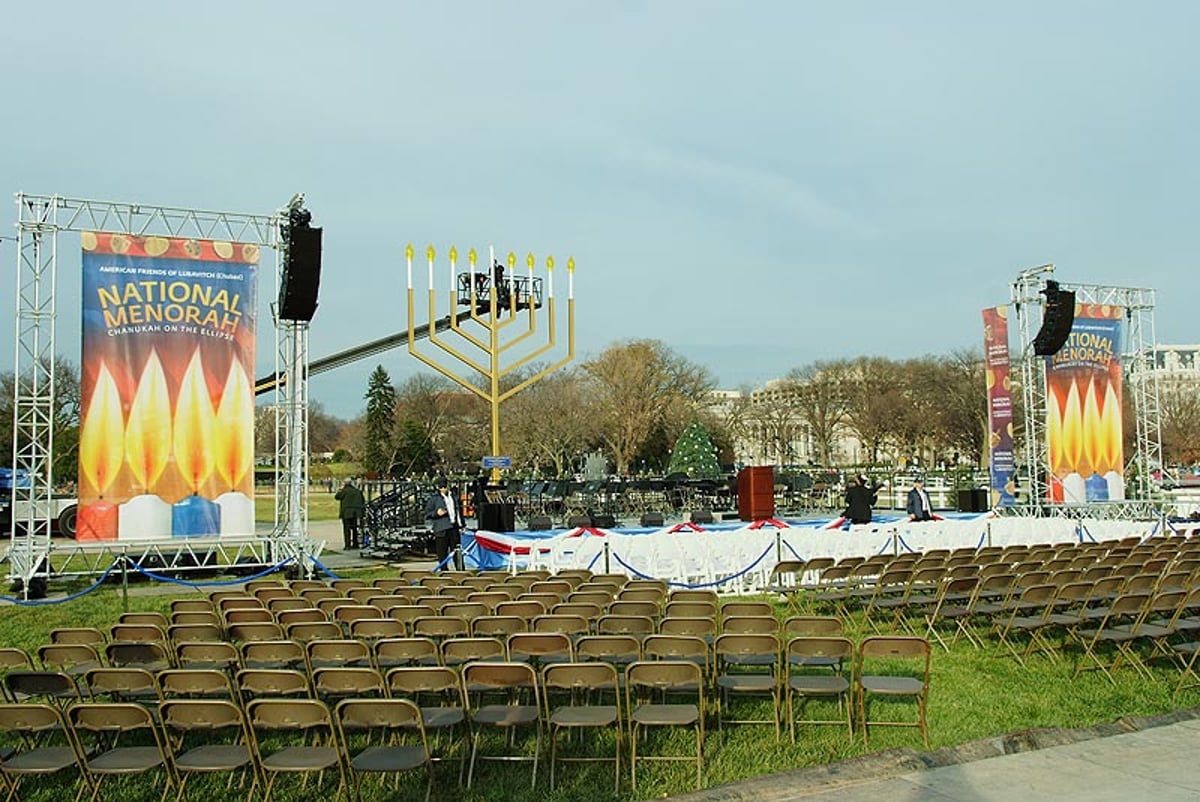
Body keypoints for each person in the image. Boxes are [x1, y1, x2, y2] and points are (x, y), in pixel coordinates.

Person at [425, 478, 461, 565]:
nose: (443, 489)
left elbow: (458, 511)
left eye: (445, 487)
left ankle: (460, 569)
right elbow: (427, 513)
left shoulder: (453, 496)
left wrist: (461, 524)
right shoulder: (434, 499)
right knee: (442, 553)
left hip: (453, 528)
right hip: (441, 529)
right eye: (441, 487)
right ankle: (444, 571)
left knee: (457, 552)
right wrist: (436, 513)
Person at [334, 478, 365, 550]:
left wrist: (340, 489)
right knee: (354, 528)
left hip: (347, 512)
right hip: (356, 512)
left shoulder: (344, 491)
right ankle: (355, 543)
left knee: (346, 529)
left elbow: (337, 497)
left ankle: (347, 545)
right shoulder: (357, 491)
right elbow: (362, 500)